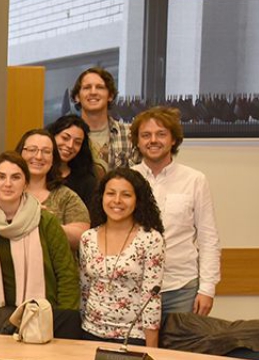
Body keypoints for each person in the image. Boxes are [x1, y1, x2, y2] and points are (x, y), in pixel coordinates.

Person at [129, 106, 221, 316]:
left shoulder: (195, 180)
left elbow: (209, 238)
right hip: (134, 288)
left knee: (179, 348)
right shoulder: (126, 179)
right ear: (137, 141)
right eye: (146, 135)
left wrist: (207, 289)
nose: (153, 140)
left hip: (182, 289)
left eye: (161, 134)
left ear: (173, 140)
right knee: (137, 349)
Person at [0, 152, 79, 312]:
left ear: (26, 183)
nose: (8, 184)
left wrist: (63, 317)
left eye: (15, 177)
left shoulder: (45, 220)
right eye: (1, 177)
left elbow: (66, 274)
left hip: (40, 317)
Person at [79, 168, 165, 347]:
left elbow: (151, 298)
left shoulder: (151, 238)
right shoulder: (88, 238)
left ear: (138, 200)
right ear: (101, 197)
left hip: (132, 336)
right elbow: (84, 289)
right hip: (90, 333)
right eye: (110, 193)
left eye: (126, 195)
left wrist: (152, 350)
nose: (117, 201)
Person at [14, 129, 90, 248]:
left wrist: (48, 223)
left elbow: (84, 236)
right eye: (32, 150)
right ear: (20, 153)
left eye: (46, 151)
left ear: (53, 159)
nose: (38, 157)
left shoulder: (67, 196)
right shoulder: (5, 191)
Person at [72, 67, 139, 172]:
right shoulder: (66, 137)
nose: (93, 92)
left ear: (110, 96)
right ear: (77, 97)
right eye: (87, 87)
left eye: (100, 87)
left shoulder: (130, 134)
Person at [47, 115, 100, 208]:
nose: (70, 145)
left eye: (77, 142)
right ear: (52, 136)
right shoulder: (37, 172)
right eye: (65, 138)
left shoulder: (86, 182)